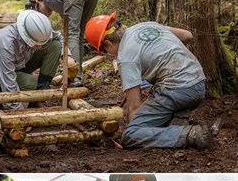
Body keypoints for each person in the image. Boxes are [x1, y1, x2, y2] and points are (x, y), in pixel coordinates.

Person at [85, 14, 213, 149]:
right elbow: (187, 35)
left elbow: (134, 108)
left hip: (178, 90)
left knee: (131, 135)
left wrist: (134, 130)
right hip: (199, 84)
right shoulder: (147, 25)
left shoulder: (125, 57)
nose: (110, 55)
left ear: (108, 43)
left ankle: (190, 134)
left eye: (105, 51)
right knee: (159, 99)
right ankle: (178, 117)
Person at [0, 10, 63, 110]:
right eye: (36, 43)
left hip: (18, 66)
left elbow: (59, 37)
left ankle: (40, 92)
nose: (39, 47)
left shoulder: (38, 31)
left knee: (55, 45)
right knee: (29, 83)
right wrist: (19, 111)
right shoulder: (5, 44)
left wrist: (67, 56)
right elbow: (7, 79)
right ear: (26, 36)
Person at [28, 0, 100, 85]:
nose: (45, 16)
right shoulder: (58, 1)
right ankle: (77, 76)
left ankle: (74, 76)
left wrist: (31, 1)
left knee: (72, 34)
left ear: (39, 2)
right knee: (78, 35)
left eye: (39, 12)